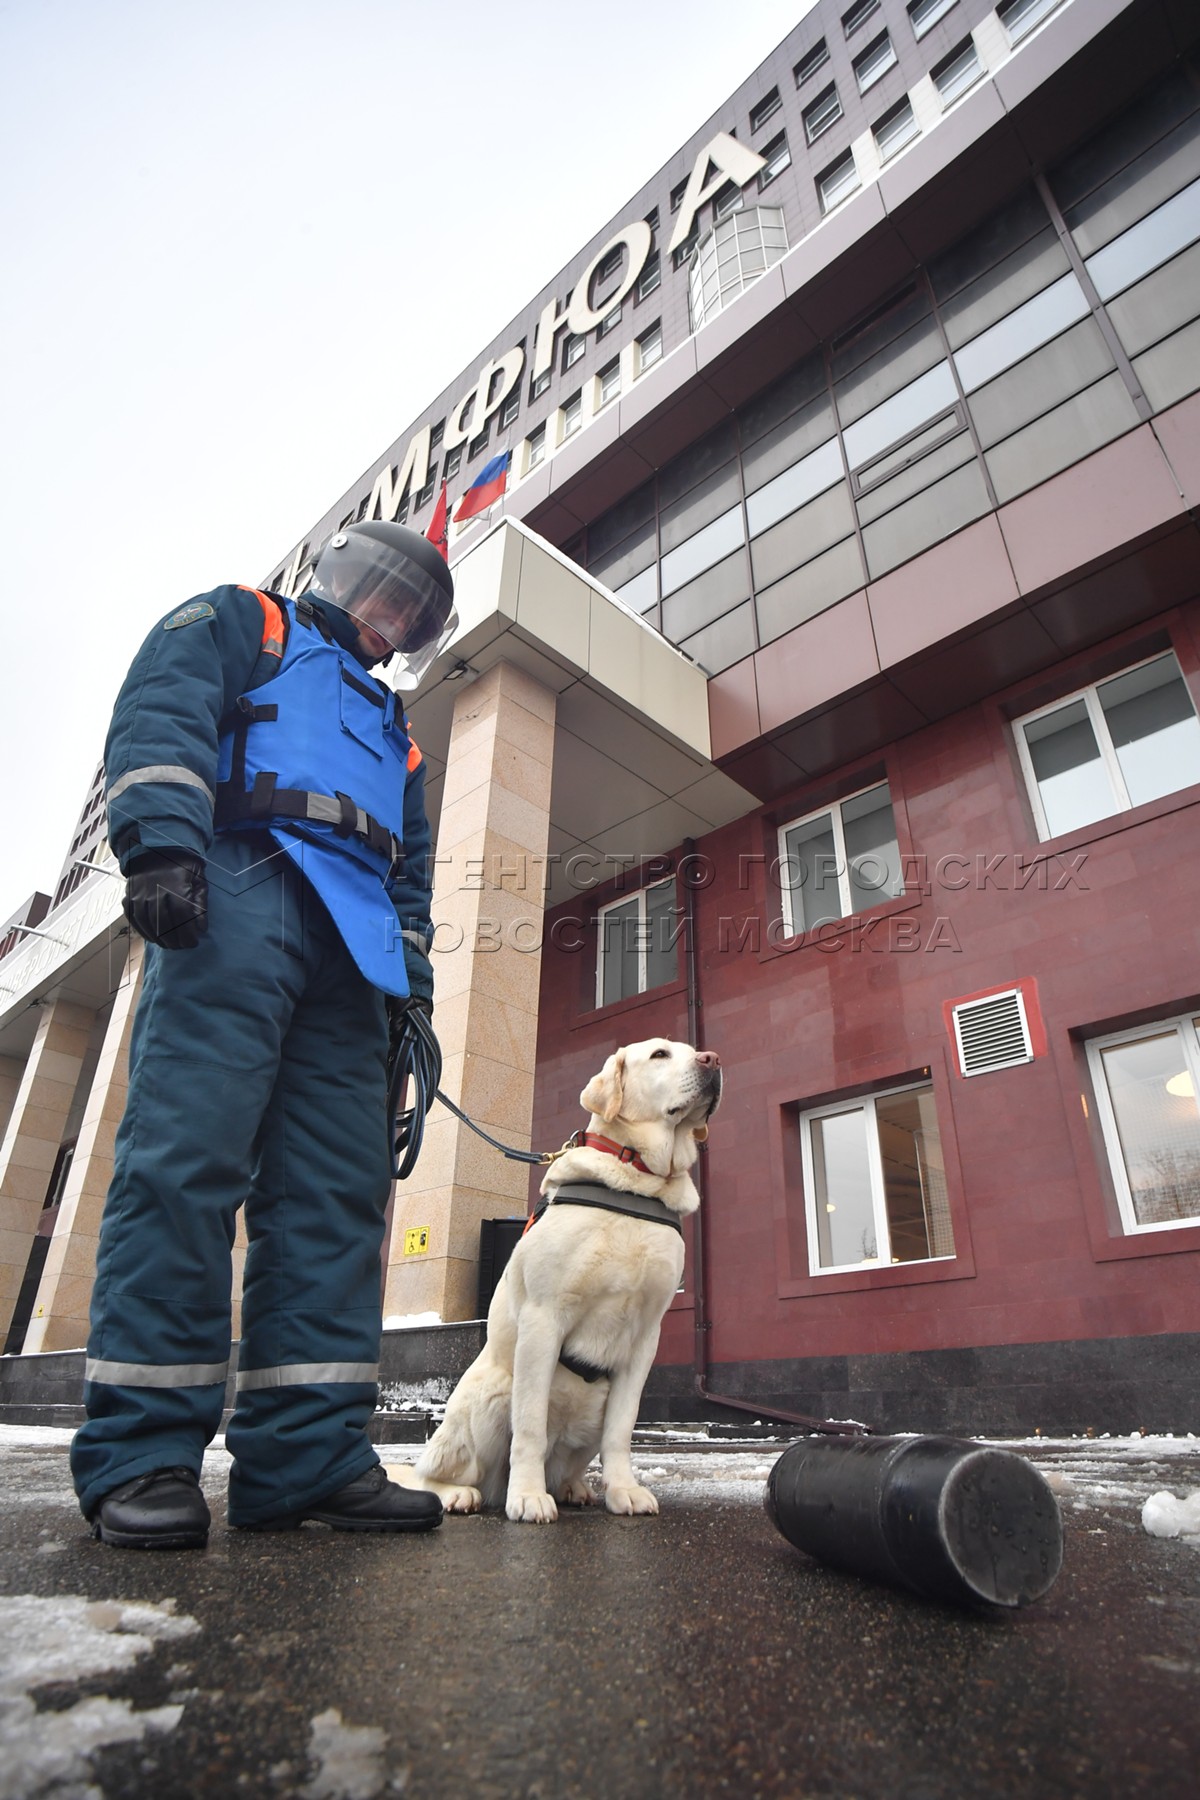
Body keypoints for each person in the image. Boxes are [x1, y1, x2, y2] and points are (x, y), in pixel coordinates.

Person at [70, 521, 456, 1547]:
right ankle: (144, 1454)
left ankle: (305, 1457)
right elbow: (165, 700)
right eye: (381, 587)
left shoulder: (399, 733)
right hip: (240, 891)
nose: (389, 611)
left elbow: (410, 873)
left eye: (410, 609)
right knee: (186, 1159)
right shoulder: (253, 620)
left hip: (352, 951)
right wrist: (159, 843)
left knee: (336, 1196)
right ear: (339, 576)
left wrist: (407, 989)